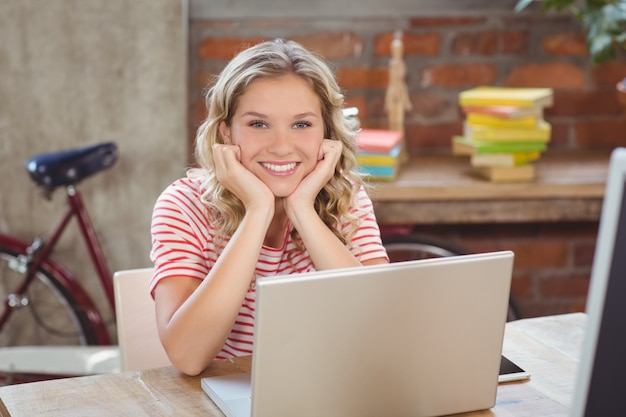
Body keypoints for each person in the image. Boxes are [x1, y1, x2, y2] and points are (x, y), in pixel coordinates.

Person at [149, 38, 389, 376]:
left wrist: (302, 209)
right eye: (258, 124)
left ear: (327, 133)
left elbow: (382, 326)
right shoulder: (184, 205)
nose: (281, 146)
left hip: (330, 384)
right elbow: (188, 357)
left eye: (301, 124)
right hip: (231, 393)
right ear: (227, 133)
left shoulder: (345, 197)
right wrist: (257, 211)